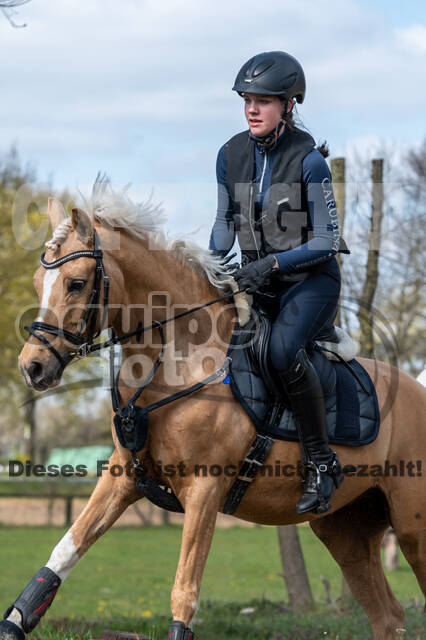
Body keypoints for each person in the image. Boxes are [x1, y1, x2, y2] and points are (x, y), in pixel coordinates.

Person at [209, 51, 350, 515]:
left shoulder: (310, 161)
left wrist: (268, 266)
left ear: (288, 105)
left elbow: (328, 241)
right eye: (247, 99)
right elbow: (224, 226)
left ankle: (322, 462)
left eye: (264, 100)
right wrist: (206, 268)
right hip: (259, 284)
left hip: (310, 284)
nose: (252, 108)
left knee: (282, 351)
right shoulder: (229, 154)